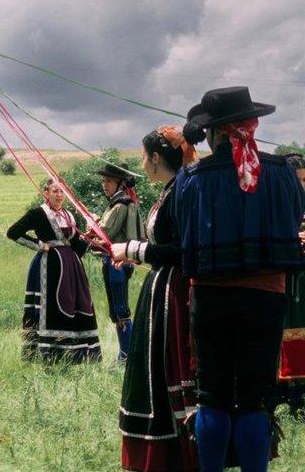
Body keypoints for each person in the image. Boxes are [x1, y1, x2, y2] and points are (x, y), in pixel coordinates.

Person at [175, 87, 305, 472]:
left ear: (213, 134)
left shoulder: (192, 179)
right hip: (266, 300)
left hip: (212, 302)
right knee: (253, 398)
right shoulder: (283, 174)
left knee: (212, 394)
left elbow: (183, 227)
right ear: (252, 125)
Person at [111, 127, 198, 471]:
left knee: (165, 369)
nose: (142, 163)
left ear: (157, 158)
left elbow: (180, 251)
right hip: (161, 289)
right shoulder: (170, 190)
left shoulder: (180, 192)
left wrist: (132, 248)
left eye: (144, 156)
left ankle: (172, 453)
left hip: (173, 293)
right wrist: (135, 255)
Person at [6, 178, 101, 363]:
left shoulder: (69, 215)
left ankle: (73, 353)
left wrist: (90, 236)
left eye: (62, 192)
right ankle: (50, 354)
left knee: (74, 304)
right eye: (55, 191)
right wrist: (39, 245)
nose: (59, 195)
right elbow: (13, 232)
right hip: (49, 267)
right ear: (46, 192)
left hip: (72, 269)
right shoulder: (38, 213)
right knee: (51, 305)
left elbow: (77, 248)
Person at [96, 163, 145, 362]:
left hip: (117, 262)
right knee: (117, 309)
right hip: (120, 260)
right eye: (104, 181)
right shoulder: (123, 202)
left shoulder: (120, 205)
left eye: (109, 181)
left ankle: (128, 355)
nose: (105, 185)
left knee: (120, 309)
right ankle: (124, 354)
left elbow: (105, 232)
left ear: (120, 184)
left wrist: (94, 223)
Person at [273, 152, 305, 416]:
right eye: (298, 180)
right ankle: (282, 392)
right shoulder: (272, 205)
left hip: (302, 281)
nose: (302, 186)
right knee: (282, 334)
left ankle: (299, 395)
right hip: (281, 279)